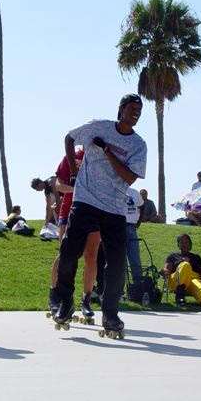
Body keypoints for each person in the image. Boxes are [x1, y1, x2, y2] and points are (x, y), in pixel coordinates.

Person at [52, 94, 147, 338]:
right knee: (67, 253)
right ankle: (65, 302)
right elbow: (70, 137)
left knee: (115, 263)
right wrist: (73, 171)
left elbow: (129, 177)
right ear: (121, 109)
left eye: (139, 109)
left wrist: (106, 151)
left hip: (114, 208)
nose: (136, 112)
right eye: (132, 108)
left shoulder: (139, 145)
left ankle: (110, 314)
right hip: (85, 200)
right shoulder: (99, 127)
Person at [48, 149, 102, 324]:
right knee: (65, 254)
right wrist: (77, 189)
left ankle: (86, 299)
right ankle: (56, 294)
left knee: (91, 256)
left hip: (94, 212)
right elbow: (58, 184)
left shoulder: (103, 157)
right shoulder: (73, 156)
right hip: (71, 209)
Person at [163, 234, 201, 306]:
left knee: (200, 289)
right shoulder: (173, 256)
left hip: (192, 280)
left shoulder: (196, 257)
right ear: (178, 245)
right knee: (185, 265)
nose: (184, 244)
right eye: (182, 242)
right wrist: (165, 271)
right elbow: (166, 268)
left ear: (190, 244)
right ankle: (180, 295)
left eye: (186, 242)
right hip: (176, 281)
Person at [125, 186, 144, 287]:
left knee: (135, 257)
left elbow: (142, 206)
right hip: (119, 226)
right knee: (120, 259)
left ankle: (138, 285)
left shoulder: (134, 192)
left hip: (131, 226)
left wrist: (139, 222)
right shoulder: (114, 189)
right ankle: (121, 287)